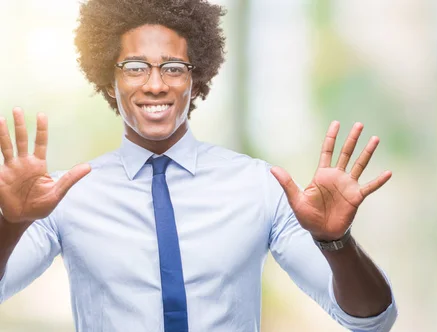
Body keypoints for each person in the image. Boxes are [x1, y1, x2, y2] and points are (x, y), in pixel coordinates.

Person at [0, 0, 398, 331]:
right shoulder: (64, 197)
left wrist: (337, 243)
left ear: (196, 78)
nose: (155, 84)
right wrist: (11, 223)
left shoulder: (258, 186)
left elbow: (372, 320)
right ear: (109, 81)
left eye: (173, 67)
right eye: (135, 67)